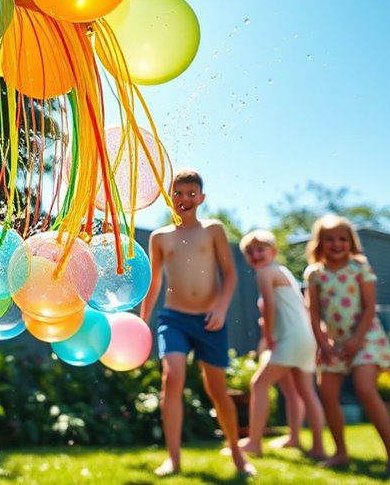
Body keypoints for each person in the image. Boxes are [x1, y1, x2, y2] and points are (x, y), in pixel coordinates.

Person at [139, 169, 255, 477]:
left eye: (191, 193)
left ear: (201, 198)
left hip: (209, 320)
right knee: (172, 378)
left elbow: (230, 274)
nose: (185, 199)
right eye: (178, 193)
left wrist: (221, 308)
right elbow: (154, 282)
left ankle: (237, 454)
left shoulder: (213, 230)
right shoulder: (160, 237)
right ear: (170, 197)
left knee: (217, 389)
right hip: (173, 319)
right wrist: (143, 321)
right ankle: (173, 459)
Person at [304, 215, 390, 475]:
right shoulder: (314, 273)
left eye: (342, 239)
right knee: (327, 394)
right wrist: (323, 343)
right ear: (320, 243)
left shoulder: (360, 267)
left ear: (351, 242)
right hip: (333, 343)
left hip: (365, 337)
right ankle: (340, 452)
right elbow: (313, 313)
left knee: (365, 388)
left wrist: (357, 339)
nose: (337, 244)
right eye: (330, 239)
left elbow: (370, 307)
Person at [237, 230, 326, 460]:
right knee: (301, 392)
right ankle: (307, 443)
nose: (255, 255)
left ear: (273, 251)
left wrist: (268, 337)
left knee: (259, 385)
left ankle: (254, 443)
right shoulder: (283, 271)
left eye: (260, 250)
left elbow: (270, 307)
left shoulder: (265, 273)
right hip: (304, 338)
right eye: (250, 252)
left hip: (289, 338)